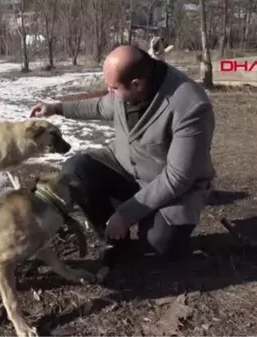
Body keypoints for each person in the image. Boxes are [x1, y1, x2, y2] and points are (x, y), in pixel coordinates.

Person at [28, 44, 216, 274]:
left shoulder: (190, 106)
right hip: (126, 165)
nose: (110, 93)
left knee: (158, 246)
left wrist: (126, 214)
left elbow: (177, 178)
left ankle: (140, 226)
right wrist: (56, 108)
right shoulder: (127, 89)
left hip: (170, 184)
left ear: (137, 84)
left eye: (113, 88)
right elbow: (99, 106)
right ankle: (114, 238)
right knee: (76, 169)